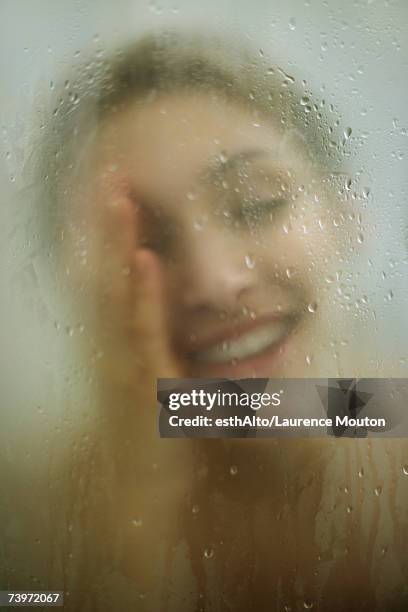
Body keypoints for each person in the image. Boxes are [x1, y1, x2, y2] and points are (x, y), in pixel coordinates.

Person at [35, 31, 408, 611]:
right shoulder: (31, 512)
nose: (214, 281)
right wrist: (138, 501)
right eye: (144, 245)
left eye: (257, 203)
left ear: (345, 213)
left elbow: (364, 410)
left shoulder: (391, 418)